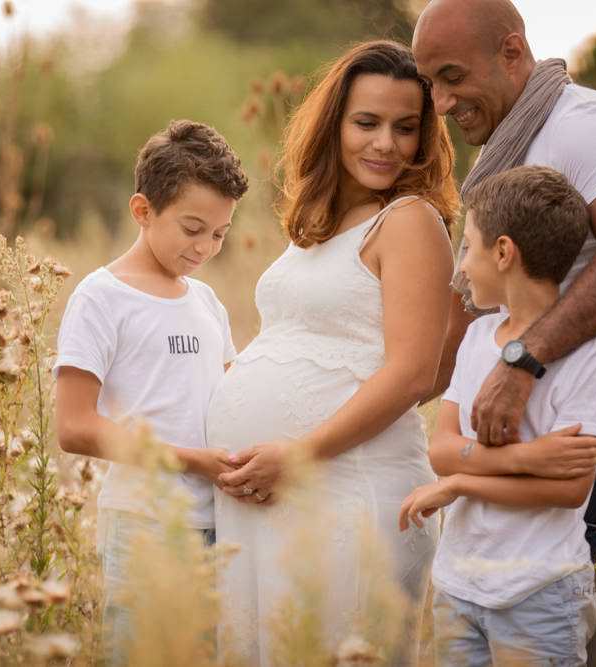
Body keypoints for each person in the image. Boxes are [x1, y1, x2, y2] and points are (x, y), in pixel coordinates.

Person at [412, 2, 596, 662]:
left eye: (453, 76)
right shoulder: (517, 147)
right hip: (524, 452)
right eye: (431, 84)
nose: (441, 104)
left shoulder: (587, 128)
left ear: (512, 52)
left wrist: (522, 361)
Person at [206, 40, 459, 665]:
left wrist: (296, 454)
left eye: (405, 128)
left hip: (348, 488)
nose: (385, 144)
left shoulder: (409, 220)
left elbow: (413, 373)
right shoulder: (316, 227)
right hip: (272, 491)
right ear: (333, 126)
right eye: (366, 122)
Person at [399, 165, 596, 665]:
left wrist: (462, 483)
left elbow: (569, 489)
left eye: (467, 247)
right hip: (459, 585)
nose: (461, 267)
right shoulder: (479, 338)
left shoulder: (585, 357)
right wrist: (530, 458)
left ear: (503, 252)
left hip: (539, 591)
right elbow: (440, 450)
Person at [52, 119, 247, 665]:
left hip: (220, 524)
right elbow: (74, 427)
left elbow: (230, 398)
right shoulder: (101, 298)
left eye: (220, 234)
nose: (206, 247)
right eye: (192, 228)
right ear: (143, 210)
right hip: (145, 526)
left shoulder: (206, 302)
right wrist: (192, 461)